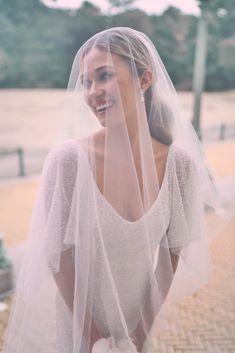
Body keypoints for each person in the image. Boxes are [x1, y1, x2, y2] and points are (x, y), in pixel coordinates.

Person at [3, 27, 232, 353]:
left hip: (140, 322)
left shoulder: (179, 166)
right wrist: (97, 340)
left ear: (144, 79)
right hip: (78, 323)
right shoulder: (69, 161)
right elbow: (57, 257)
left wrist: (137, 334)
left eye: (104, 76)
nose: (92, 91)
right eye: (86, 82)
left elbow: (171, 254)